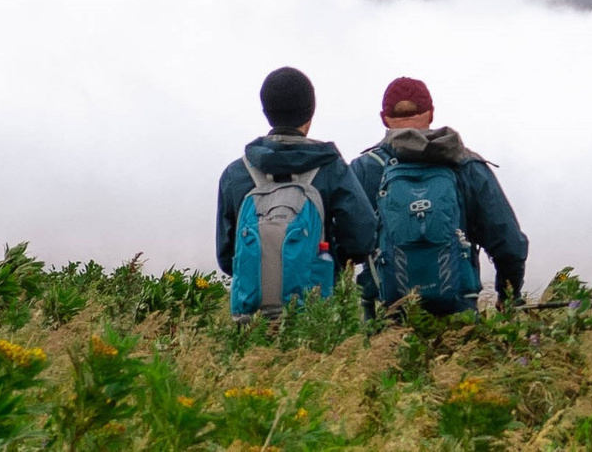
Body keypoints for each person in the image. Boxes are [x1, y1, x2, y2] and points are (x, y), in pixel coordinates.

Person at [351, 76, 529, 315]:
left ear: (384, 118)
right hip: (458, 314)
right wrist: (509, 295)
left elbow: (344, 245)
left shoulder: (364, 170)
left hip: (387, 315)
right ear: (431, 113)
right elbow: (509, 243)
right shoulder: (465, 164)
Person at [216, 66, 376, 318]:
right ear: (310, 112)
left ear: (266, 112)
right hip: (316, 314)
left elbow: (227, 258)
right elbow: (363, 237)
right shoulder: (330, 167)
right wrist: (324, 256)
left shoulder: (236, 174)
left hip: (252, 317)